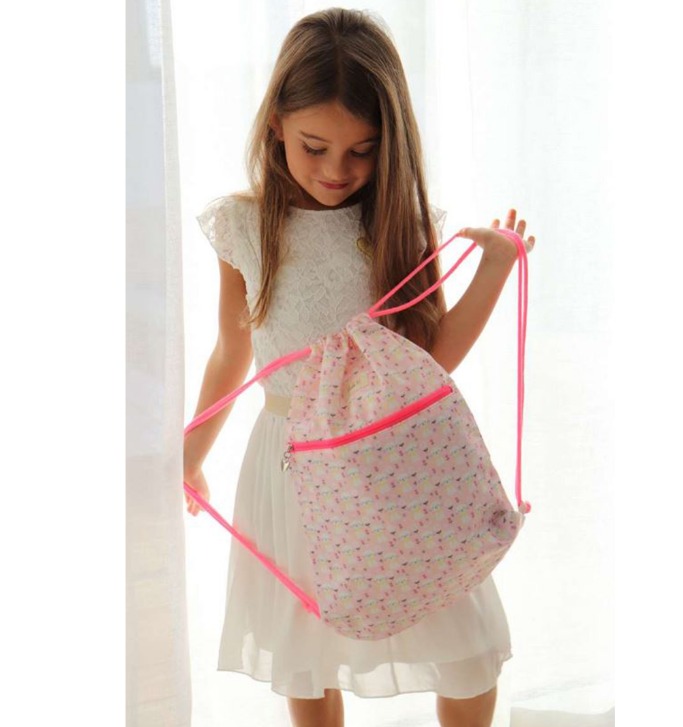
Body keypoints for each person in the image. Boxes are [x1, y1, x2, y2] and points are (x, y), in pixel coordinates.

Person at [183, 7, 536, 727]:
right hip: (291, 461)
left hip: (393, 458)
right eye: (314, 147)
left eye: (362, 151)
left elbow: (430, 360)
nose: (336, 171)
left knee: (464, 644)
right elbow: (230, 349)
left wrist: (495, 270)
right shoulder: (243, 225)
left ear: (390, 143)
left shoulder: (399, 223)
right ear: (276, 124)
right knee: (308, 658)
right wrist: (190, 454)